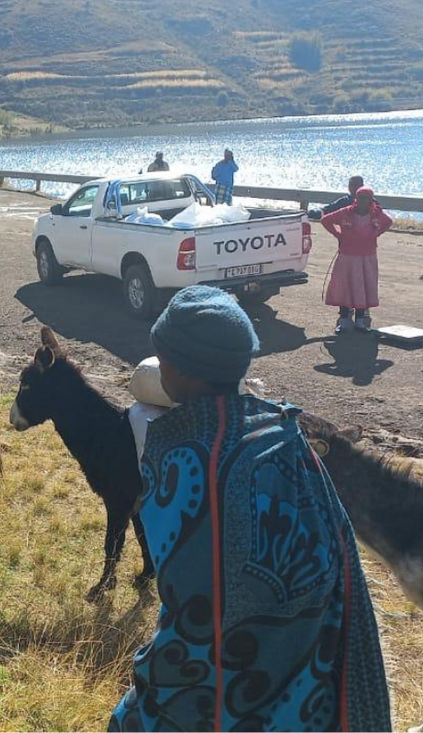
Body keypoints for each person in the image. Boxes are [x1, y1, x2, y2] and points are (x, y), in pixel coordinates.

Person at [109, 286, 391, 732]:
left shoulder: (190, 456)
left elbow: (196, 622)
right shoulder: (284, 431)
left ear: (181, 369)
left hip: (231, 698)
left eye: (162, 357)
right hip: (313, 686)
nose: (158, 366)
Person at [320, 186, 392, 334]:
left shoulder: (376, 214)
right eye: (360, 198)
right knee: (344, 287)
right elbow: (325, 220)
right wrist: (338, 234)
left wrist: (376, 234)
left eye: (366, 198)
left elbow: (388, 222)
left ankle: (360, 321)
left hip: (367, 257)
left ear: (371, 200)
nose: (363, 201)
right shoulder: (345, 213)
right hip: (347, 257)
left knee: (363, 287)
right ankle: (344, 320)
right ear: (356, 199)